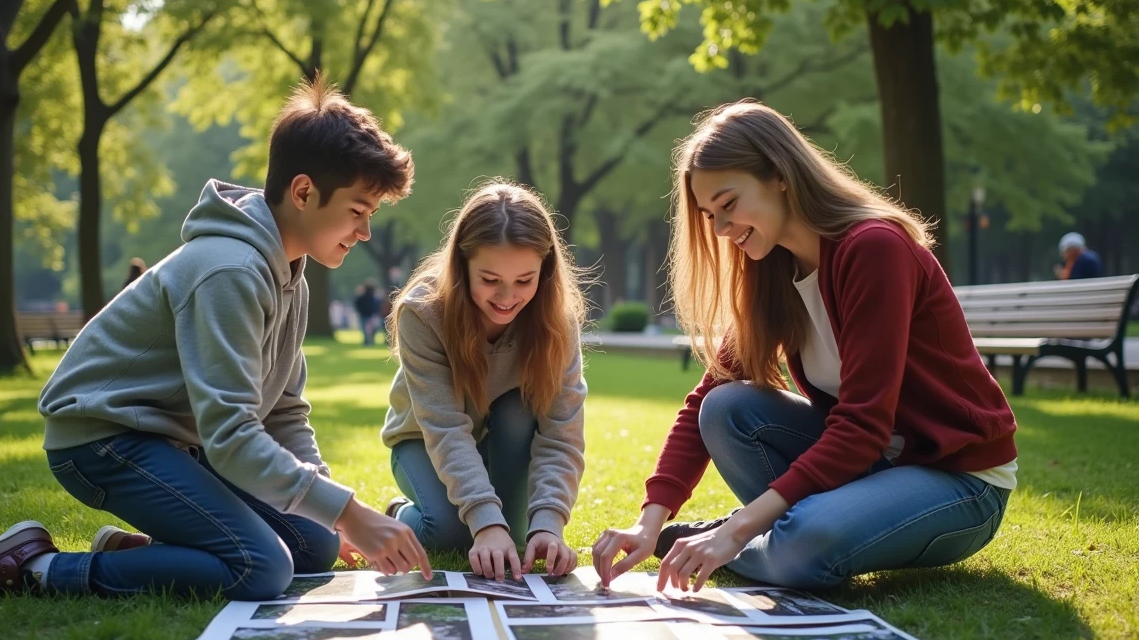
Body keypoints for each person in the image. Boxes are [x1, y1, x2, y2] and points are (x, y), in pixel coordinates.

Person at [0, 75, 431, 601]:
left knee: (315, 542)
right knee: (261, 569)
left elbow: (284, 412)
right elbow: (232, 436)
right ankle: (33, 568)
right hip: (102, 440)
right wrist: (349, 511)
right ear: (304, 192)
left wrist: (333, 510)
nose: (365, 232)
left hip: (173, 442)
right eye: (357, 211)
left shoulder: (291, 275)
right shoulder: (231, 270)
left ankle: (148, 552)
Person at [592, 100, 1018, 593]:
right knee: (725, 407)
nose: (721, 229)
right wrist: (649, 522)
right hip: (872, 467)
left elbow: (862, 426)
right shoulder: (772, 267)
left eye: (728, 204)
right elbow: (706, 397)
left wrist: (736, 530)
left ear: (779, 175)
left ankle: (755, 537)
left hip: (959, 480)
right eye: (710, 215)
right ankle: (765, 534)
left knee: (802, 543)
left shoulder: (874, 249)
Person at [382, 180, 588, 583]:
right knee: (452, 533)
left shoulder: (556, 321)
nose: (507, 298)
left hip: (505, 433)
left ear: (545, 271)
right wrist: (485, 520)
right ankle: (397, 515)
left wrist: (549, 524)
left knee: (517, 536)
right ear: (462, 267)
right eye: (490, 280)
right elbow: (444, 428)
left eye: (525, 280)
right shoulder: (422, 312)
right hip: (422, 440)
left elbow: (562, 432)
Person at [354, 280, 382, 345]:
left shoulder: (361, 297)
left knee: (365, 329)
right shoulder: (374, 298)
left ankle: (367, 341)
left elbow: (357, 305)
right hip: (371, 315)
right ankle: (370, 340)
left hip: (364, 315)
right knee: (372, 329)